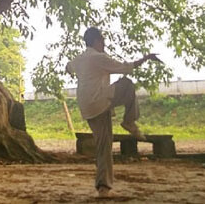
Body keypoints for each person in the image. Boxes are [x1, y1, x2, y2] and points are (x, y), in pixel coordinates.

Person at [66, 27, 160, 198]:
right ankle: (129, 121)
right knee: (127, 84)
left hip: (87, 107)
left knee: (103, 145)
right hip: (99, 102)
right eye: (102, 40)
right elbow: (126, 67)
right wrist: (146, 58)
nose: (104, 44)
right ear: (95, 41)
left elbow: (68, 67)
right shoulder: (98, 57)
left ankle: (103, 187)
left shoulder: (80, 59)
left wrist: (82, 74)